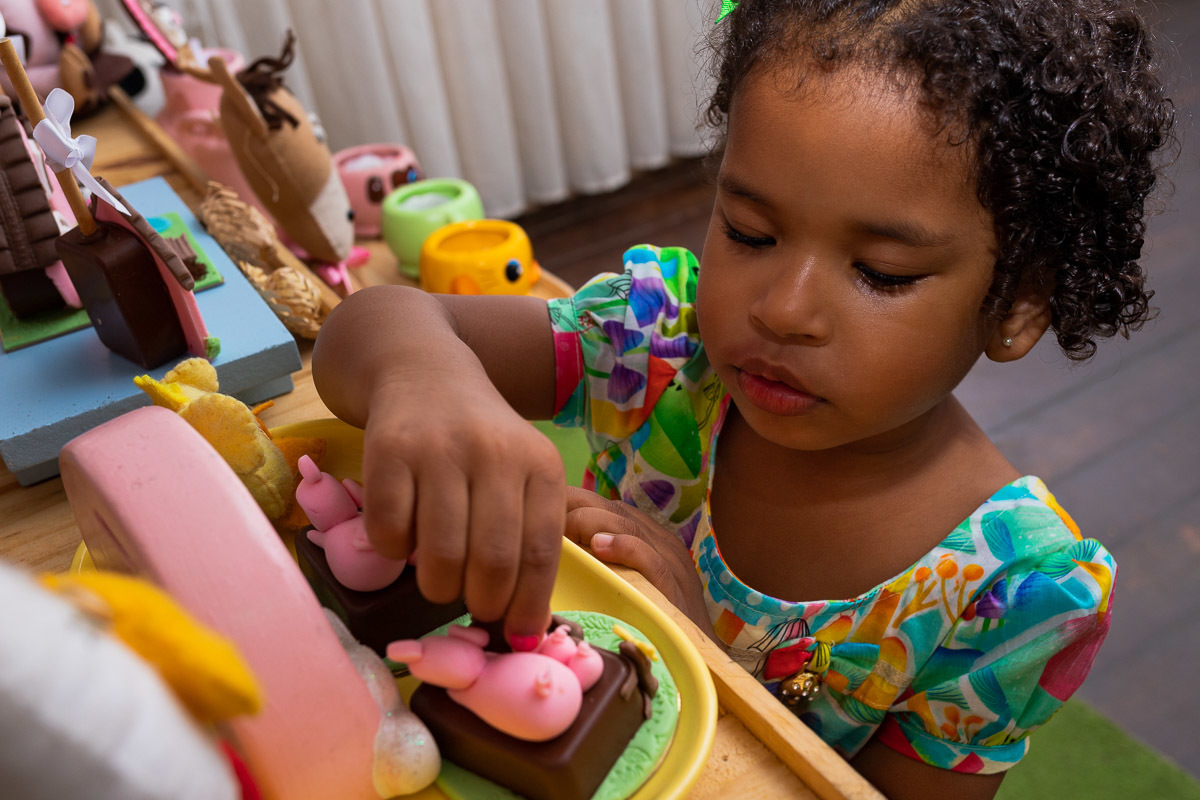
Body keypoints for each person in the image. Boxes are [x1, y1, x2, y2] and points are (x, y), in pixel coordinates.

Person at [312, 1, 1174, 795]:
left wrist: (705, 665)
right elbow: (372, 328)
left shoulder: (1012, 598)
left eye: (881, 273)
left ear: (1017, 304)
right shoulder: (659, 348)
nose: (782, 309)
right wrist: (425, 379)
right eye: (750, 232)